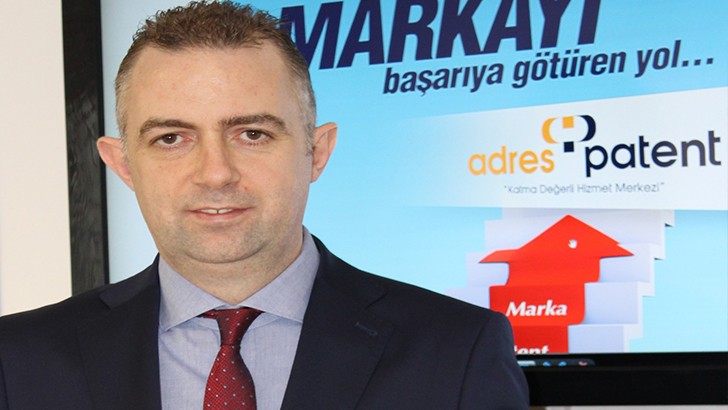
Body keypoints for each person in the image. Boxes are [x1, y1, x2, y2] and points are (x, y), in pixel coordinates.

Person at [0, 2, 529, 409]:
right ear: (122, 165)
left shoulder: (457, 351)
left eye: (252, 134)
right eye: (171, 138)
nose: (215, 173)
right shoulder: (18, 361)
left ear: (317, 152)